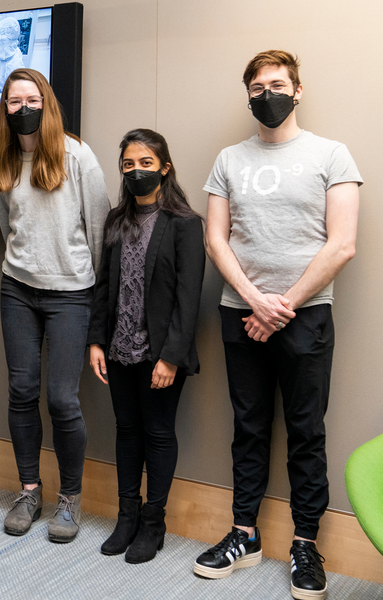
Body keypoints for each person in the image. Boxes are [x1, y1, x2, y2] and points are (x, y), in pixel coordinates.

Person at [194, 50, 360, 600]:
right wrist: (252, 300)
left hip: (306, 315)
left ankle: (306, 544)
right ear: (248, 95)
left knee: (307, 433)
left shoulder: (331, 154)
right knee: (249, 425)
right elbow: (216, 239)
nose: (269, 94)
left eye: (278, 84)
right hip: (240, 313)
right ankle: (245, 534)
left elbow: (342, 244)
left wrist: (281, 304)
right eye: (259, 86)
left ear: (298, 90)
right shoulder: (228, 159)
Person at [0, 68, 109, 544]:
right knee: (22, 391)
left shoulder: (77, 155)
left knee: (62, 399)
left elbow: (100, 232)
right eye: (14, 101)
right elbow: (7, 225)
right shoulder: (1, 158)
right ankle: (29, 490)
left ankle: (71, 498)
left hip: (71, 294)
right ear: (5, 109)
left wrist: (95, 301)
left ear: (47, 103)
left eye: (32, 99)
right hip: (16, 288)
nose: (24, 108)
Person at [88, 129, 205, 563]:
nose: (136, 171)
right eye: (128, 164)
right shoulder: (116, 219)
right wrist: (96, 341)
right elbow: (104, 286)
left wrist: (171, 357)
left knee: (157, 433)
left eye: (146, 163)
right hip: (118, 349)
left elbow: (189, 298)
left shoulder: (185, 223)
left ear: (165, 168)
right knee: (125, 431)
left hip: (161, 354)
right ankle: (127, 517)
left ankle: (154, 524)